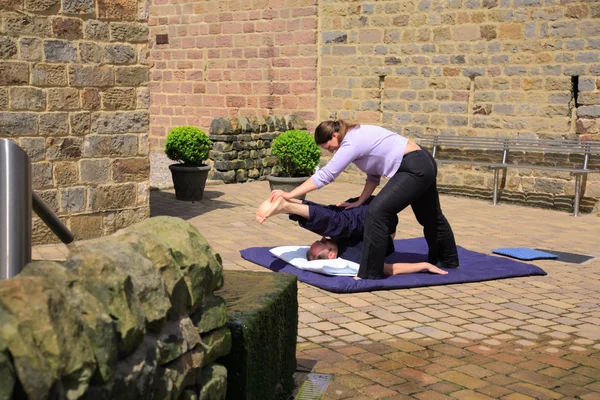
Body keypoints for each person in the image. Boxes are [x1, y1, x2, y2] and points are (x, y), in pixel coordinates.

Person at [268, 120, 460, 279]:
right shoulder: (354, 137)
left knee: (377, 212)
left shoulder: (352, 141)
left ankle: (370, 272)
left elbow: (326, 175)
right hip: (420, 162)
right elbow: (373, 177)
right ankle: (448, 260)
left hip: (414, 167)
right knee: (430, 217)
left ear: (334, 135)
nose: (330, 151)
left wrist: (290, 194)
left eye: (328, 147)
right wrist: (360, 201)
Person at [256, 195, 448, 277]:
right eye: (324, 243)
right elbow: (390, 270)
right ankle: (287, 206)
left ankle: (291, 204)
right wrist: (424, 265)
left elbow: (327, 215)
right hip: (383, 221)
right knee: (337, 223)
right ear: (331, 255)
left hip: (361, 208)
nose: (325, 238)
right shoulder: (354, 258)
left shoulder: (336, 239)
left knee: (335, 218)